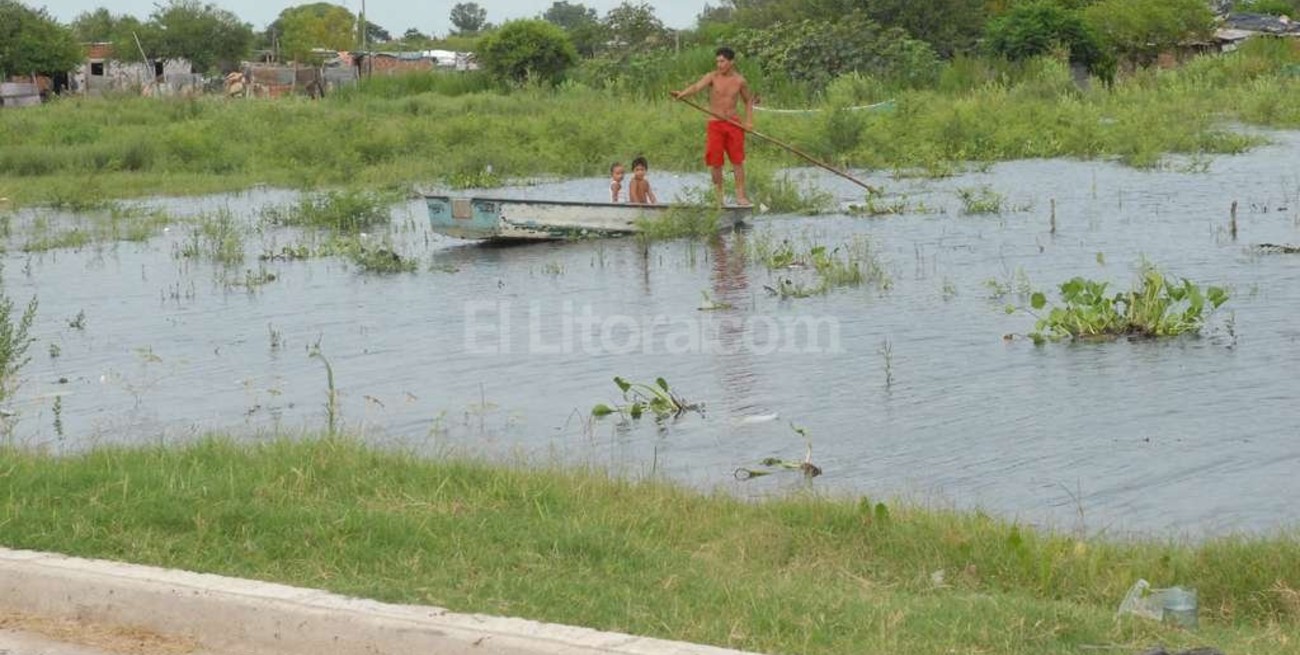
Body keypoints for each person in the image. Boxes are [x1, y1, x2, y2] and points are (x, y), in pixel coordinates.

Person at [671, 46, 754, 207]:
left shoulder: (740, 81)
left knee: (737, 161)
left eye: (722, 61)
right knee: (715, 162)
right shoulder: (712, 77)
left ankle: (740, 196)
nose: (719, 65)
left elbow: (748, 101)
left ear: (731, 62)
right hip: (715, 123)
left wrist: (749, 121)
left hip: (733, 123)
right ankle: (719, 198)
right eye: (717, 61)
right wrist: (682, 94)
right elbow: (696, 87)